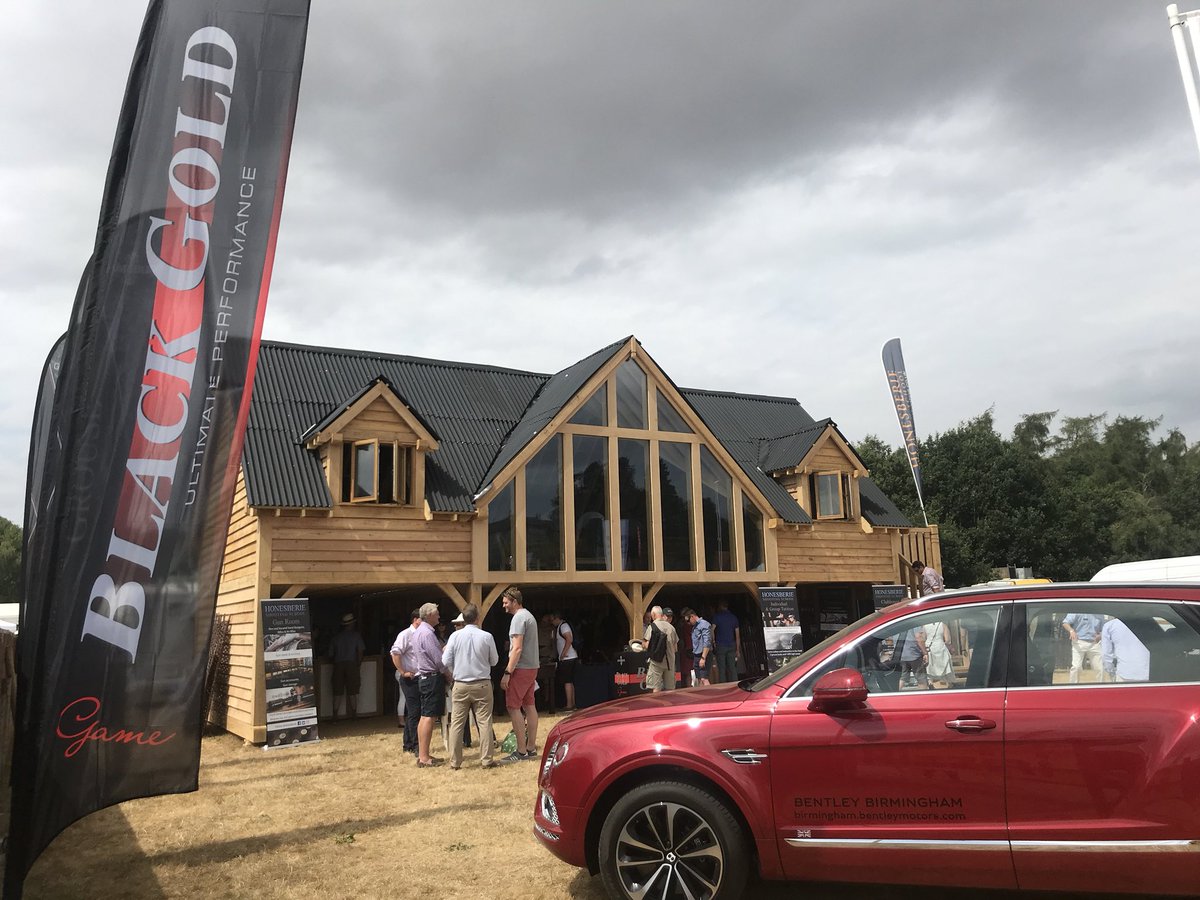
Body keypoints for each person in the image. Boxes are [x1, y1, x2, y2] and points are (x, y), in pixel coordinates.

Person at [442, 604, 498, 769]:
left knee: (457, 723)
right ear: (477, 618)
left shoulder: (455, 636)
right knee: (484, 722)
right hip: (482, 683)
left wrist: (456, 667)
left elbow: (445, 660)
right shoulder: (486, 636)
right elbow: (494, 661)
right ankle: (486, 760)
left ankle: (455, 762)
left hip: (460, 683)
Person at [499, 587, 540, 762]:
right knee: (529, 705)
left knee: (513, 707)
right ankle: (530, 748)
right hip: (532, 667)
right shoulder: (529, 616)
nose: (504, 606)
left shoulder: (518, 618)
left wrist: (507, 672)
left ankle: (521, 751)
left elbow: (517, 648)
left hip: (521, 668)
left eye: (506, 602)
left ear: (515, 602)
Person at [413, 602, 452, 767]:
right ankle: (424, 757)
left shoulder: (418, 632)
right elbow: (438, 660)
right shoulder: (428, 634)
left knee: (424, 716)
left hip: (424, 678)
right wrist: (449, 675)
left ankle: (424, 754)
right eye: (436, 613)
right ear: (429, 615)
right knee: (429, 716)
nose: (439, 616)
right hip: (432, 678)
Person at [390, 609, 422, 753]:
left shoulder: (422, 634)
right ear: (415, 619)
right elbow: (395, 653)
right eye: (422, 619)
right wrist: (403, 672)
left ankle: (408, 744)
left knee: (414, 711)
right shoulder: (405, 634)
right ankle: (415, 745)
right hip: (410, 678)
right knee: (414, 711)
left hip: (418, 676)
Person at [328, 613, 365, 719]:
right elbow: (360, 651)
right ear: (352, 624)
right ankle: (354, 714)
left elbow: (330, 654)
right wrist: (358, 664)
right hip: (352, 664)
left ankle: (335, 716)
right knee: (352, 691)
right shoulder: (356, 636)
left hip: (338, 665)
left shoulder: (336, 637)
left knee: (337, 692)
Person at [1102, 617, 1150, 683]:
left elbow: (1106, 654)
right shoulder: (1149, 624)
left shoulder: (1109, 626)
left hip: (1124, 674)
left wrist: (1111, 671)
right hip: (1148, 674)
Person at [643, 606, 678, 693]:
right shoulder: (671, 627)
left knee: (656, 688)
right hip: (670, 662)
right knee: (670, 688)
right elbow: (675, 648)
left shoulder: (652, 626)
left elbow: (647, 645)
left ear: (653, 615)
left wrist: (643, 644)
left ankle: (657, 702)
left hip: (656, 661)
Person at [1061, 612, 1104, 683]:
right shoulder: (1077, 611)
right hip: (1079, 641)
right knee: (1076, 667)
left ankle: (1101, 686)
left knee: (1100, 668)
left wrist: (1100, 635)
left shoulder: (1099, 613)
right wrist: (1071, 631)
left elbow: (1104, 628)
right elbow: (1065, 623)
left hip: (1095, 643)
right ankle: (1073, 686)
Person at [551, 610, 579, 709]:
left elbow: (569, 639)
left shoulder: (563, 626)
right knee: (570, 681)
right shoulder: (561, 626)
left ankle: (569, 704)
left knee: (567, 681)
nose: (551, 622)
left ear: (557, 618)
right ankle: (572, 702)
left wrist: (563, 653)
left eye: (552, 619)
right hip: (570, 657)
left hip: (568, 658)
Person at [712, 600, 741, 683]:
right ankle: (735, 685)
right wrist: (738, 649)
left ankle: (723, 687)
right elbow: (737, 635)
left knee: (722, 669)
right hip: (731, 645)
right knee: (732, 668)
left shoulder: (717, 617)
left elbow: (711, 629)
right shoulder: (733, 617)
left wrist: (713, 641)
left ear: (720, 607)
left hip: (720, 645)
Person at [682, 608, 711, 686]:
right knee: (699, 678)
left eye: (688, 621)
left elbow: (707, 642)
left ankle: (709, 692)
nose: (688, 623)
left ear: (692, 616)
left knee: (704, 678)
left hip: (703, 654)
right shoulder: (694, 626)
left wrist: (703, 658)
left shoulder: (704, 624)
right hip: (696, 655)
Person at [536, 613, 558, 714]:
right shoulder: (537, 628)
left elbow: (553, 642)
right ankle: (540, 703)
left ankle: (548, 702)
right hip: (538, 656)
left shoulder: (552, 629)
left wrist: (552, 656)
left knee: (549, 683)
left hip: (548, 656)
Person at [923, 619, 954, 688]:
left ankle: (932, 683)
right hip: (940, 646)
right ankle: (946, 684)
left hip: (929, 648)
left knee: (931, 667)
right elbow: (948, 640)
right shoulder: (943, 625)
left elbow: (923, 638)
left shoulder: (925, 626)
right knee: (944, 667)